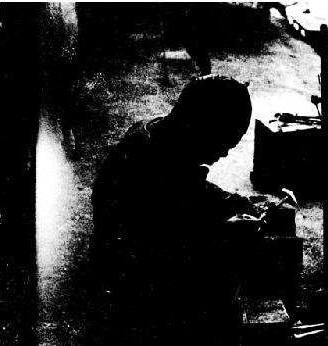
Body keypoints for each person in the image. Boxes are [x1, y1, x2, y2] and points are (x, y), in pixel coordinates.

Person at [90, 75, 259, 345]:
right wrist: (230, 233)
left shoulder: (158, 136)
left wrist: (228, 200)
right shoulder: (152, 167)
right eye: (225, 141)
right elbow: (172, 235)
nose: (225, 154)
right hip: (135, 290)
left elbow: (188, 186)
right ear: (204, 126)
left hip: (127, 266)